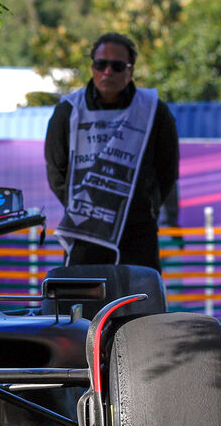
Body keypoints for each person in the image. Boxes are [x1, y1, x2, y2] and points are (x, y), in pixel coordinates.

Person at [44, 32, 178, 272]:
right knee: (82, 304)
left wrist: (144, 206)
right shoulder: (68, 111)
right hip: (84, 228)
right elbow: (56, 169)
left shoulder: (154, 111)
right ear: (93, 67)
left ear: (130, 71)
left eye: (117, 66)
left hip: (137, 232)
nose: (108, 72)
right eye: (101, 64)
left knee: (143, 304)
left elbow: (168, 170)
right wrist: (80, 206)